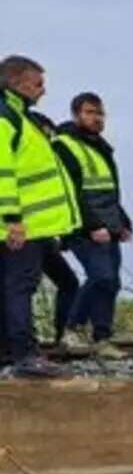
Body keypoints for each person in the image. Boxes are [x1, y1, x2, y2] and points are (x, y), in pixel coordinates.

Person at [0, 55, 81, 379]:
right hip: (22, 226)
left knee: (12, 287)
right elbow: (3, 172)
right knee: (19, 288)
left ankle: (11, 353)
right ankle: (24, 355)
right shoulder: (7, 118)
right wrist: (12, 219)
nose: (43, 91)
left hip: (29, 225)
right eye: (37, 84)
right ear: (15, 82)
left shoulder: (20, 117)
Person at [51, 92, 133, 360]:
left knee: (111, 283)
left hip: (108, 225)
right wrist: (91, 225)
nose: (97, 118)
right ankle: (71, 330)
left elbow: (109, 190)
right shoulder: (64, 145)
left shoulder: (100, 146)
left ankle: (102, 338)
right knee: (101, 277)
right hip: (83, 227)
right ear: (76, 115)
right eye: (90, 112)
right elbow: (71, 191)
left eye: (100, 113)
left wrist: (122, 220)